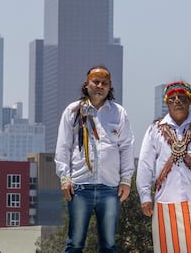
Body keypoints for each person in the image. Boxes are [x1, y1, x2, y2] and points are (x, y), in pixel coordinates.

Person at [136, 80, 191, 253]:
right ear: (167, 103)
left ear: (189, 101)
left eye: (182, 97)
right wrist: (145, 196)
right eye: (172, 98)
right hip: (165, 203)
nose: (177, 101)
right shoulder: (155, 129)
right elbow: (145, 164)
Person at [54, 65, 134, 253]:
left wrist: (126, 180)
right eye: (95, 82)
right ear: (86, 84)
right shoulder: (73, 111)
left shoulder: (119, 113)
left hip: (110, 187)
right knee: (75, 243)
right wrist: (65, 178)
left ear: (109, 87)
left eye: (104, 83)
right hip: (80, 186)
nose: (100, 86)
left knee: (109, 245)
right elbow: (63, 147)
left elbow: (127, 147)